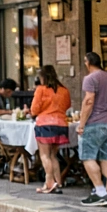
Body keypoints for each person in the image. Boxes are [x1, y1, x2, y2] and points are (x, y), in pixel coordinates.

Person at [78, 51, 107, 207]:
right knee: (105, 156)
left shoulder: (90, 78)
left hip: (95, 122)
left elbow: (89, 101)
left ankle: (100, 191)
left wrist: (82, 123)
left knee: (87, 156)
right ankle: (105, 192)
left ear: (88, 62)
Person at [30, 65, 72, 196]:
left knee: (44, 155)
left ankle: (49, 183)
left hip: (45, 124)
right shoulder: (64, 90)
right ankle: (58, 183)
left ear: (42, 77)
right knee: (53, 156)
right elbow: (67, 105)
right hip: (61, 124)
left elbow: (34, 109)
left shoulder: (41, 90)